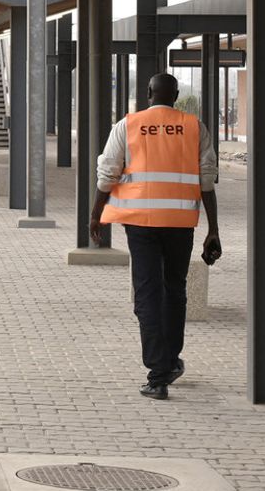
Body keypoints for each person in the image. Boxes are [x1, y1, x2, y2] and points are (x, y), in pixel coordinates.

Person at [89, 73, 221, 400]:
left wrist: (95, 214)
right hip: (180, 222)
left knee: (147, 293)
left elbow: (108, 173)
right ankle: (170, 361)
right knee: (175, 291)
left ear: (148, 93)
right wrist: (213, 230)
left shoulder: (128, 125)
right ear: (175, 95)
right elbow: (207, 180)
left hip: (140, 223)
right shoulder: (194, 127)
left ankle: (158, 373)